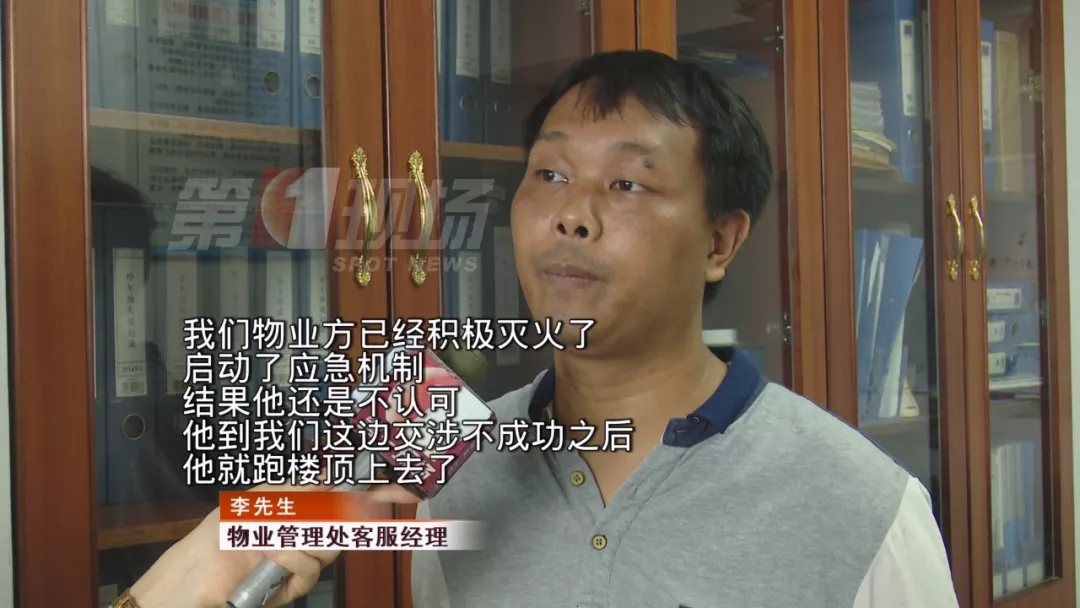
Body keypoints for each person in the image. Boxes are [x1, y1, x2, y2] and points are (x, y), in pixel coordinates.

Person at [119, 49, 959, 608]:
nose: (571, 216)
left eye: (628, 184)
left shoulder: (863, 505)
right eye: (549, 174)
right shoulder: (456, 474)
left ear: (719, 242)